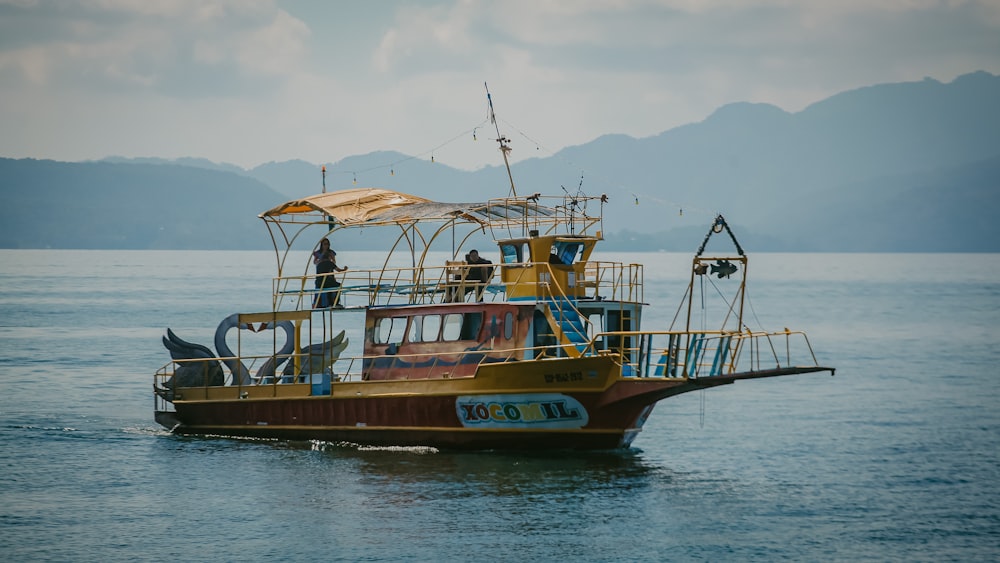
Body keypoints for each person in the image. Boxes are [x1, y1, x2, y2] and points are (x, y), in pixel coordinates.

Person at [313, 238, 347, 308]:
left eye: (327, 244)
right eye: (325, 244)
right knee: (333, 286)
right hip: (322, 279)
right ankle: (332, 303)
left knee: (331, 286)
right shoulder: (319, 256)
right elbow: (315, 262)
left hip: (327, 278)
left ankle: (332, 303)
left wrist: (330, 260)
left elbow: (334, 263)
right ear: (322, 245)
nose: (326, 246)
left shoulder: (330, 255)